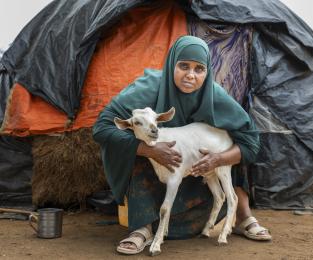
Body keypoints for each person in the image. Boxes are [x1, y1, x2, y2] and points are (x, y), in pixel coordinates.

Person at [93, 35, 271, 255]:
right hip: (158, 172)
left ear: (207, 72)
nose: (190, 75)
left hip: (198, 170)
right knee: (136, 146)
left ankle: (242, 216)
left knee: (234, 144)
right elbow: (102, 127)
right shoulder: (148, 88)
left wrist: (218, 159)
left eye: (199, 69)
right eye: (183, 66)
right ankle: (142, 228)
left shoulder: (214, 95)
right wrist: (150, 150)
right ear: (171, 64)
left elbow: (251, 140)